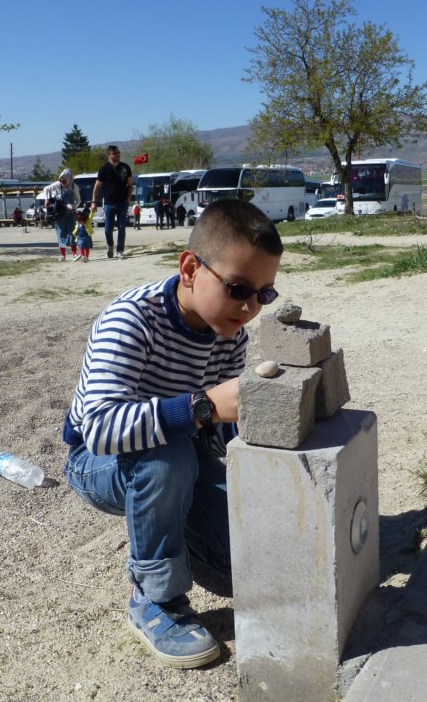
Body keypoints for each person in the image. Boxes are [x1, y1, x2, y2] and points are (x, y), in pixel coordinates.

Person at [62, 199, 283, 668]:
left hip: (182, 455)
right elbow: (99, 429)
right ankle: (154, 598)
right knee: (167, 460)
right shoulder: (132, 319)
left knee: (237, 570)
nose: (249, 308)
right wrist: (206, 406)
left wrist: (261, 419)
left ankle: (165, 522)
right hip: (98, 462)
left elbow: (216, 437)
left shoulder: (230, 333)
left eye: (265, 295)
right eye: (239, 288)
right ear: (189, 268)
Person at [91, 145, 133, 260]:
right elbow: (97, 186)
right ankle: (110, 245)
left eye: (118, 152)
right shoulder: (104, 169)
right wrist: (94, 202)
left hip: (122, 203)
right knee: (108, 229)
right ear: (109, 155)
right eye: (114, 153)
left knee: (121, 227)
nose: (117, 154)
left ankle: (120, 250)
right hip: (109, 204)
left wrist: (128, 198)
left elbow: (130, 184)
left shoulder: (125, 167)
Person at [54, 169, 79, 260]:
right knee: (61, 233)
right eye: (60, 180)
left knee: (72, 233)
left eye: (63, 180)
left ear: (69, 179)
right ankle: (63, 255)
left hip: (71, 213)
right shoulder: (57, 185)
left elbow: (78, 199)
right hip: (60, 214)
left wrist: (75, 206)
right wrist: (46, 200)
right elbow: (46, 189)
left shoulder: (74, 186)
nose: (62, 182)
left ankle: (74, 254)